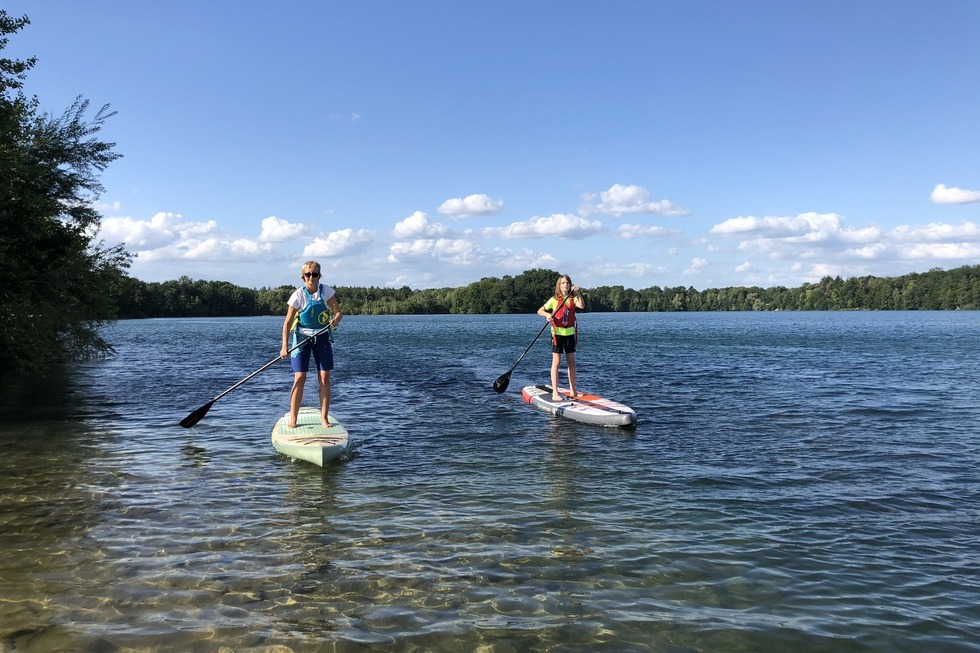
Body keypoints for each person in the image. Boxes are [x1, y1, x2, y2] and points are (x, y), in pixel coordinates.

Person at [280, 260, 343, 428]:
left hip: (322, 337)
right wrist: (284, 346)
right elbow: (287, 323)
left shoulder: (327, 291)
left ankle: (324, 418)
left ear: (319, 276)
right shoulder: (298, 295)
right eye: (308, 274)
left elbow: (338, 313)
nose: (311, 277)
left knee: (324, 376)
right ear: (303, 276)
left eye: (315, 274)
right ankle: (293, 418)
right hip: (301, 339)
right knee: (300, 377)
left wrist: (335, 320)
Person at [537, 274, 585, 401]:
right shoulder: (554, 299)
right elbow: (540, 310)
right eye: (563, 283)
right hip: (557, 334)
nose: (565, 285)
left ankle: (573, 390)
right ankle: (555, 393)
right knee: (556, 363)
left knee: (571, 363)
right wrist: (547, 315)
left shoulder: (573, 298)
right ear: (559, 285)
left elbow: (581, 306)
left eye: (567, 283)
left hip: (570, 334)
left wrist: (579, 293)